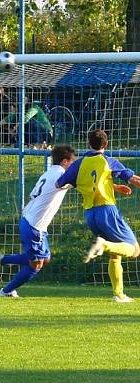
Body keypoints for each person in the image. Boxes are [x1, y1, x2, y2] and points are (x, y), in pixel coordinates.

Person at [56, 129, 140, 303]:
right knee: (134, 250)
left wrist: (113, 186)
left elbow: (61, 183)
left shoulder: (79, 164)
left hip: (90, 214)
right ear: (106, 144)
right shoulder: (108, 161)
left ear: (88, 143)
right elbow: (133, 179)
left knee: (116, 255)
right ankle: (103, 245)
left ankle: (119, 294)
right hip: (106, 210)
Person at [0, 145, 77, 297]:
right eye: (72, 163)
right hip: (34, 226)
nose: (73, 166)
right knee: (36, 264)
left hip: (31, 222)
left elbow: (33, 196)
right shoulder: (61, 175)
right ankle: (6, 291)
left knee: (45, 258)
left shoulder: (48, 173)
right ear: (64, 161)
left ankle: (2, 259)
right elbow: (76, 182)